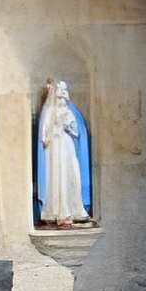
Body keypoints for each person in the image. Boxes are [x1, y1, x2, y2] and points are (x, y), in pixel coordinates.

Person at [36, 79, 88, 226]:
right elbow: (44, 135)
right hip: (55, 148)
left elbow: (77, 132)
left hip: (66, 145)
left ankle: (72, 209)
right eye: (58, 97)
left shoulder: (68, 112)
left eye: (63, 97)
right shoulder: (49, 112)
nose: (61, 100)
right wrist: (53, 129)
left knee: (71, 173)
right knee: (57, 176)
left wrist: (68, 125)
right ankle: (59, 212)